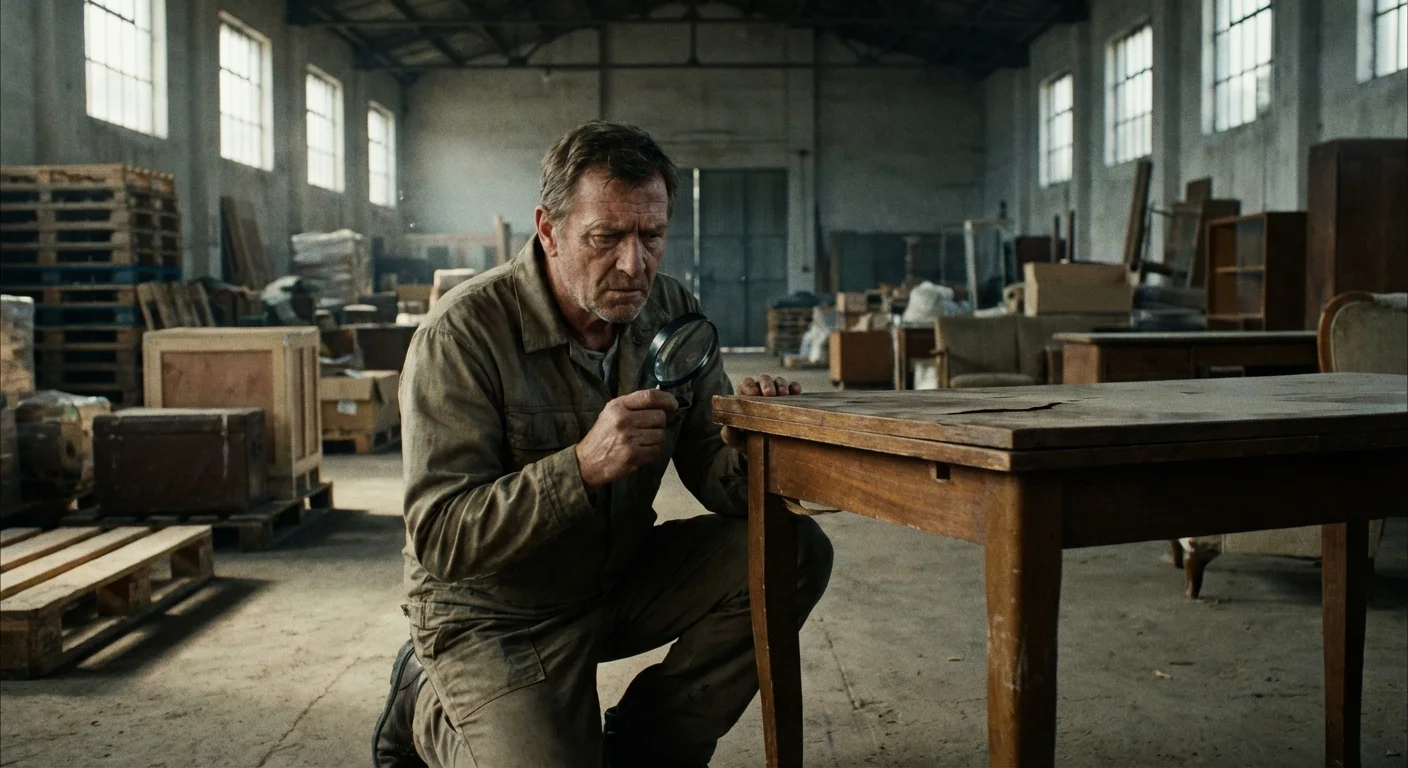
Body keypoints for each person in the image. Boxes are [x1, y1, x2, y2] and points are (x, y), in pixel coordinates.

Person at [373, 121, 833, 768]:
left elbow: (713, 470)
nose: (634, 264)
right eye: (606, 238)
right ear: (548, 229)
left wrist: (766, 441)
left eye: (652, 236)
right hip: (492, 613)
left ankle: (647, 745)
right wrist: (582, 468)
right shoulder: (464, 334)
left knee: (791, 551)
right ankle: (426, 700)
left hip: (614, 578)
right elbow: (443, 538)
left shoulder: (670, 310)